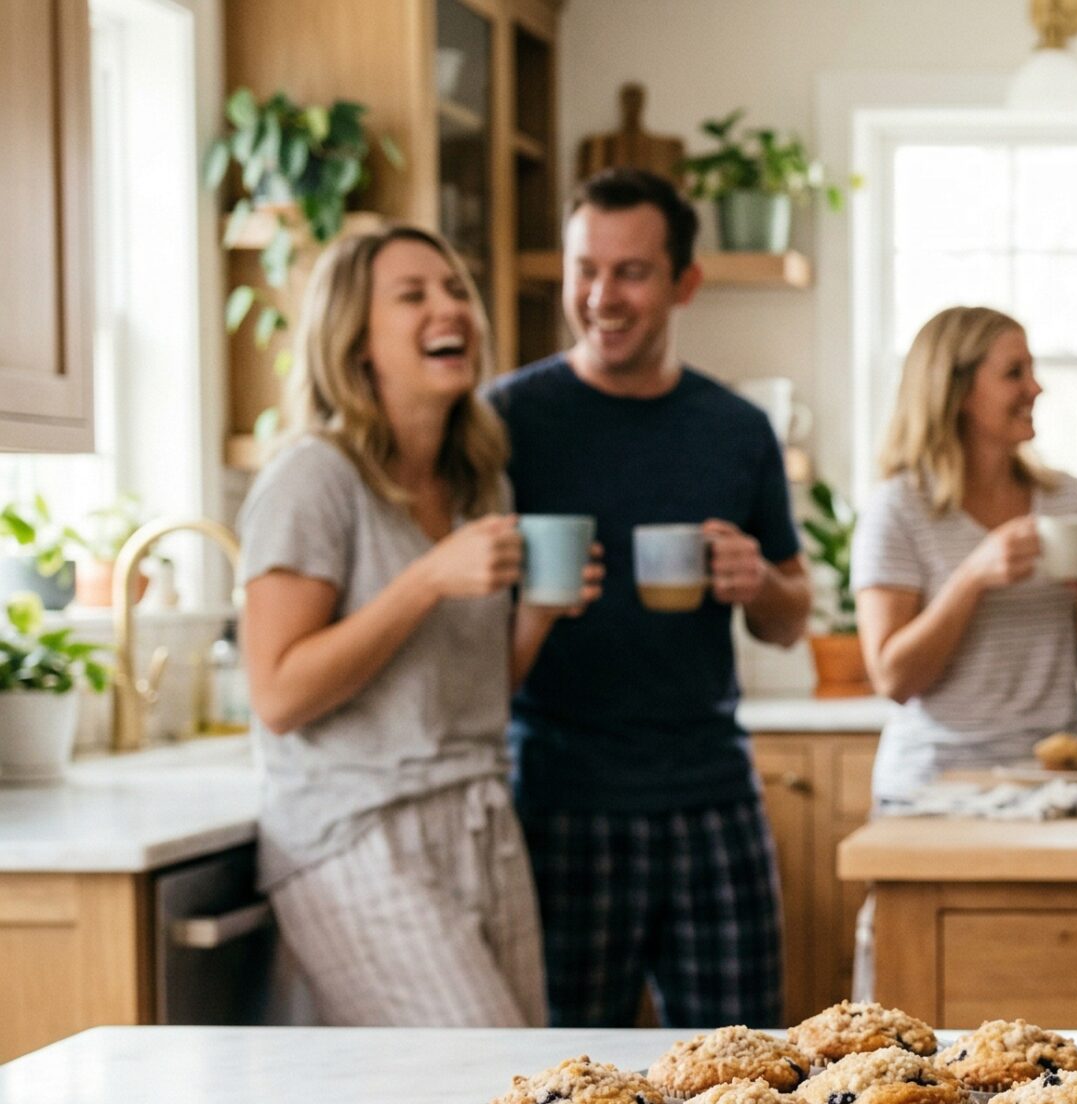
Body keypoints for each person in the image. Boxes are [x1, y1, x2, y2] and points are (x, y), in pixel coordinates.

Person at [238, 225, 595, 1026]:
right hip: (357, 832)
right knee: (485, 1078)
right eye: (414, 295)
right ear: (356, 341)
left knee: (525, 1098)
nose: (451, 308)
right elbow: (279, 693)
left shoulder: (479, 482)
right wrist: (428, 579)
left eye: (456, 289)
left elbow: (466, 692)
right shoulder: (314, 478)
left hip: (480, 819)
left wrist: (537, 614)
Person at [487, 169, 812, 1030]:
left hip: (712, 794)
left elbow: (792, 616)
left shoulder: (736, 428)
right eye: (584, 268)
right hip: (558, 799)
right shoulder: (503, 422)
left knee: (744, 1078)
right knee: (560, 1099)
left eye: (631, 271)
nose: (602, 295)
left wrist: (760, 580)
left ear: (684, 282)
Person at [854, 305, 1077, 801]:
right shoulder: (899, 508)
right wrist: (972, 576)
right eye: (1014, 373)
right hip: (933, 786)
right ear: (956, 391)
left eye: (1032, 370)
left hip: (1053, 780)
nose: (1035, 388)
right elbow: (893, 677)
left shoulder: (1069, 501)